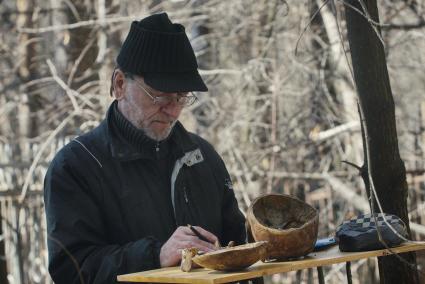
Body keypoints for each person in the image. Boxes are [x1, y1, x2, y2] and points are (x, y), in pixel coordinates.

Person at [44, 12, 246, 283]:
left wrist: (269, 242)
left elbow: (237, 248)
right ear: (119, 85)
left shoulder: (202, 158)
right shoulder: (76, 167)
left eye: (181, 97)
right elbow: (71, 271)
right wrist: (156, 256)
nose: (173, 110)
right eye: (160, 95)